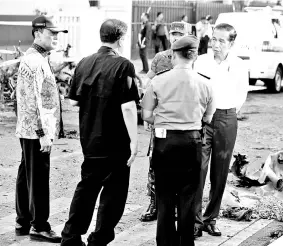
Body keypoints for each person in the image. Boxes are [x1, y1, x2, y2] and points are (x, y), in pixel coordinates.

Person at [60, 19, 139, 246]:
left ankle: (71, 237)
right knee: (113, 194)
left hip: (90, 139)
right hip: (116, 142)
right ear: (121, 38)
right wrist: (134, 141)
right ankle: (99, 239)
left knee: (86, 188)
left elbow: (74, 102)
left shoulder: (84, 62)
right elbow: (128, 107)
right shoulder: (124, 65)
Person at [141, 35, 215, 246]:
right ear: (195, 57)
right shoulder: (206, 83)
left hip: (165, 142)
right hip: (192, 142)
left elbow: (146, 115)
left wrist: (164, 121)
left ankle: (165, 243)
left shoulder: (158, 80)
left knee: (164, 196)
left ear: (173, 55)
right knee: (188, 197)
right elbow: (208, 118)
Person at [15, 15, 68, 243]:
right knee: (37, 177)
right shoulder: (35, 61)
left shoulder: (37, 57)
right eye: (51, 33)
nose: (55, 37)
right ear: (38, 33)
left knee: (26, 172)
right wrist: (42, 133)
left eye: (57, 34)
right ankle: (39, 225)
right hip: (36, 132)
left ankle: (23, 221)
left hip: (30, 130)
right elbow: (32, 101)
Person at [193, 23, 249, 238]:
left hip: (226, 117)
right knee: (198, 169)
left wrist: (228, 112)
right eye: (213, 39)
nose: (215, 44)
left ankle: (211, 218)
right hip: (202, 119)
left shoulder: (238, 65)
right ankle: (195, 221)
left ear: (231, 43)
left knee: (220, 171)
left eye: (221, 41)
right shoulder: (201, 61)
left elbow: (241, 94)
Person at [140, 21, 192, 222]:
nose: (176, 37)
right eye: (173, 34)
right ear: (169, 36)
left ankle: (179, 207)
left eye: (180, 34)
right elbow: (149, 83)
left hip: (184, 120)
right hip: (161, 119)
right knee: (156, 162)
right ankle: (154, 204)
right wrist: (147, 112)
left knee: (182, 165)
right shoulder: (161, 58)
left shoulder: (191, 59)